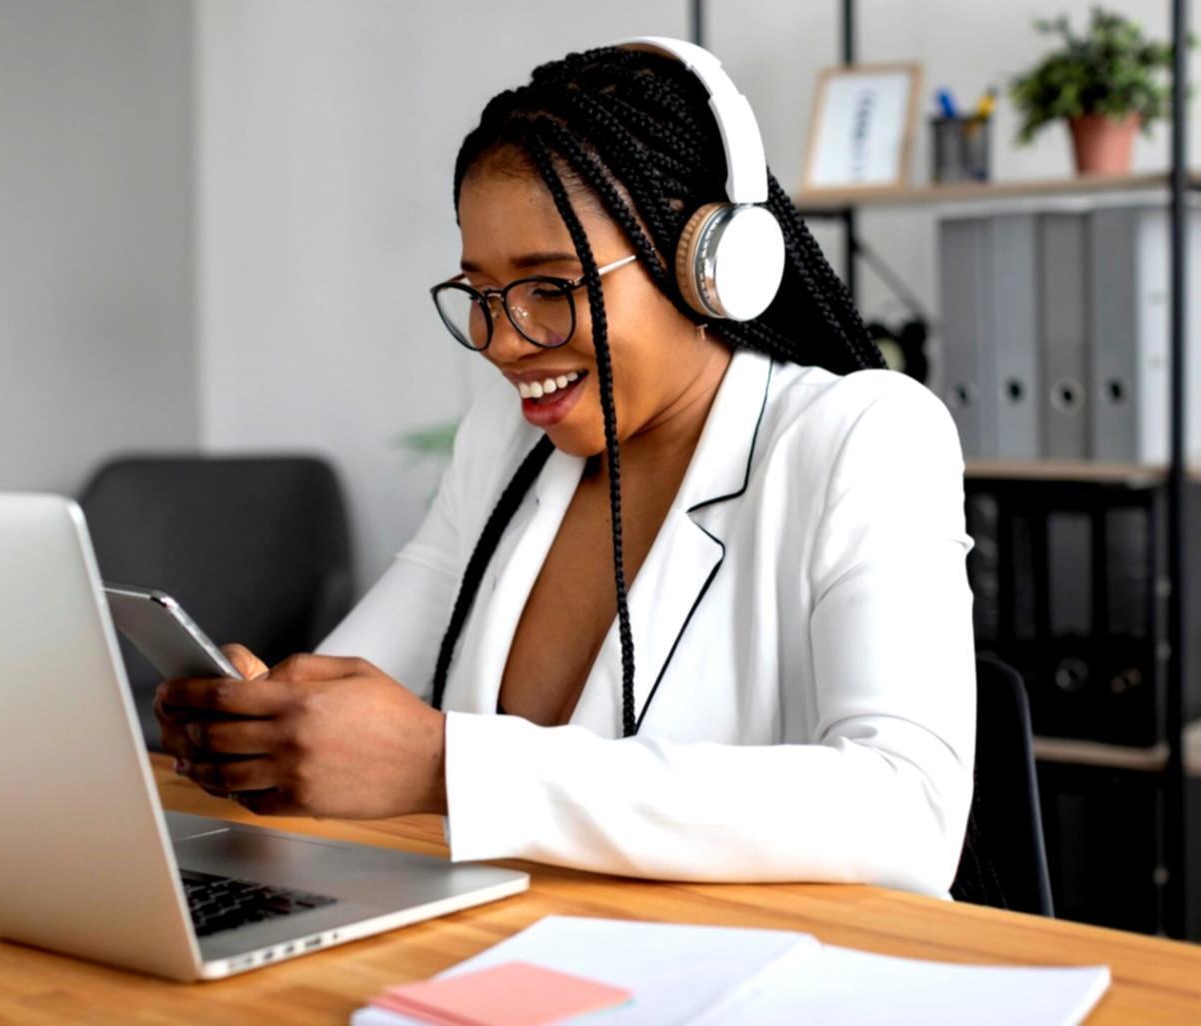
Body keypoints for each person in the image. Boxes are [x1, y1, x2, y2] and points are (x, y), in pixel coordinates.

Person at [155, 39, 976, 898]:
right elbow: (362, 690)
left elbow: (907, 813)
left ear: (707, 265)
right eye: (481, 293)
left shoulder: (863, 437)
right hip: (517, 958)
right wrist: (263, 725)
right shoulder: (507, 446)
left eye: (551, 286)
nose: (504, 341)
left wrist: (447, 767)